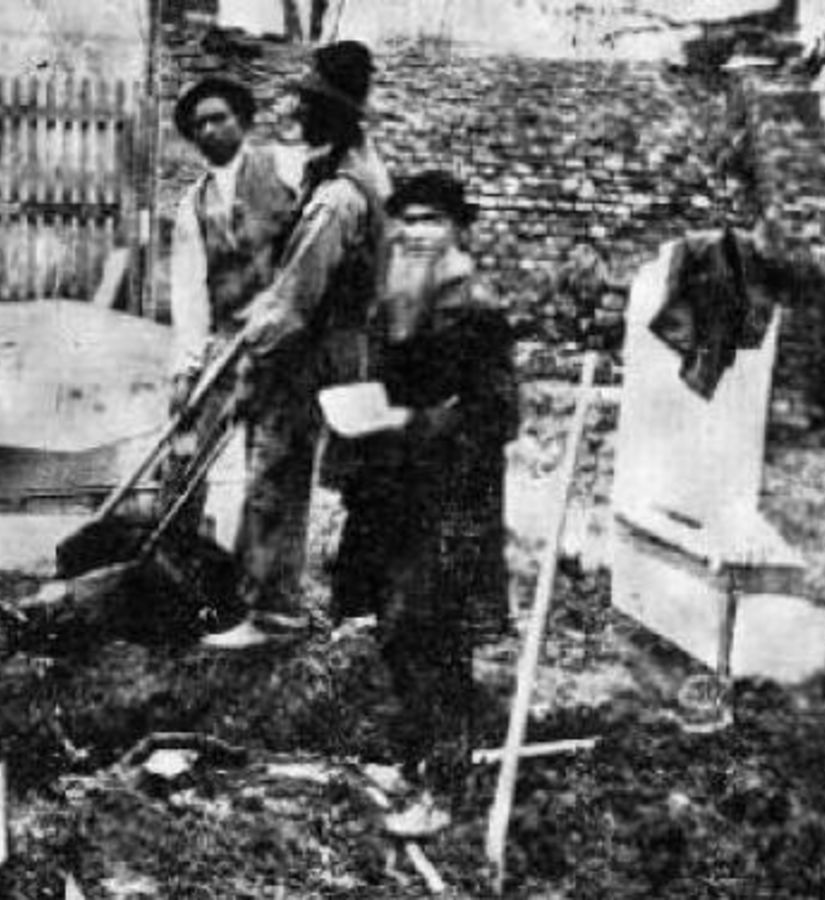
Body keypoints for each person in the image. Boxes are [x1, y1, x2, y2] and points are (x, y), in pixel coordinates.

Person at [332, 171, 519, 837]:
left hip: (449, 499)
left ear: (459, 229)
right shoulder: (401, 297)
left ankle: (444, 786)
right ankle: (412, 760)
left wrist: (408, 425)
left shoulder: (475, 306)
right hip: (393, 493)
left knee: (434, 638)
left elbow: (497, 415)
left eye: (430, 219)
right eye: (404, 219)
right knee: (393, 627)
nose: (413, 232)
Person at [200, 41, 391, 651]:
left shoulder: (340, 197)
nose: (298, 110)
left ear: (332, 111)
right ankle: (267, 598)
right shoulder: (342, 166)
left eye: (309, 102)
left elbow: (292, 300)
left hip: (312, 354)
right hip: (320, 346)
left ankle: (272, 616)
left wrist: (244, 361)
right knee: (276, 469)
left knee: (275, 471)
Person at [163, 74, 303, 539]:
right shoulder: (192, 205)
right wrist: (187, 367)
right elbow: (188, 292)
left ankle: (260, 580)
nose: (208, 131)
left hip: (282, 340)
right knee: (187, 453)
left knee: (270, 464)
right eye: (198, 125)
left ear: (242, 122)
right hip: (226, 342)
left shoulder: (285, 168)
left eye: (218, 119)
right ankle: (175, 550)